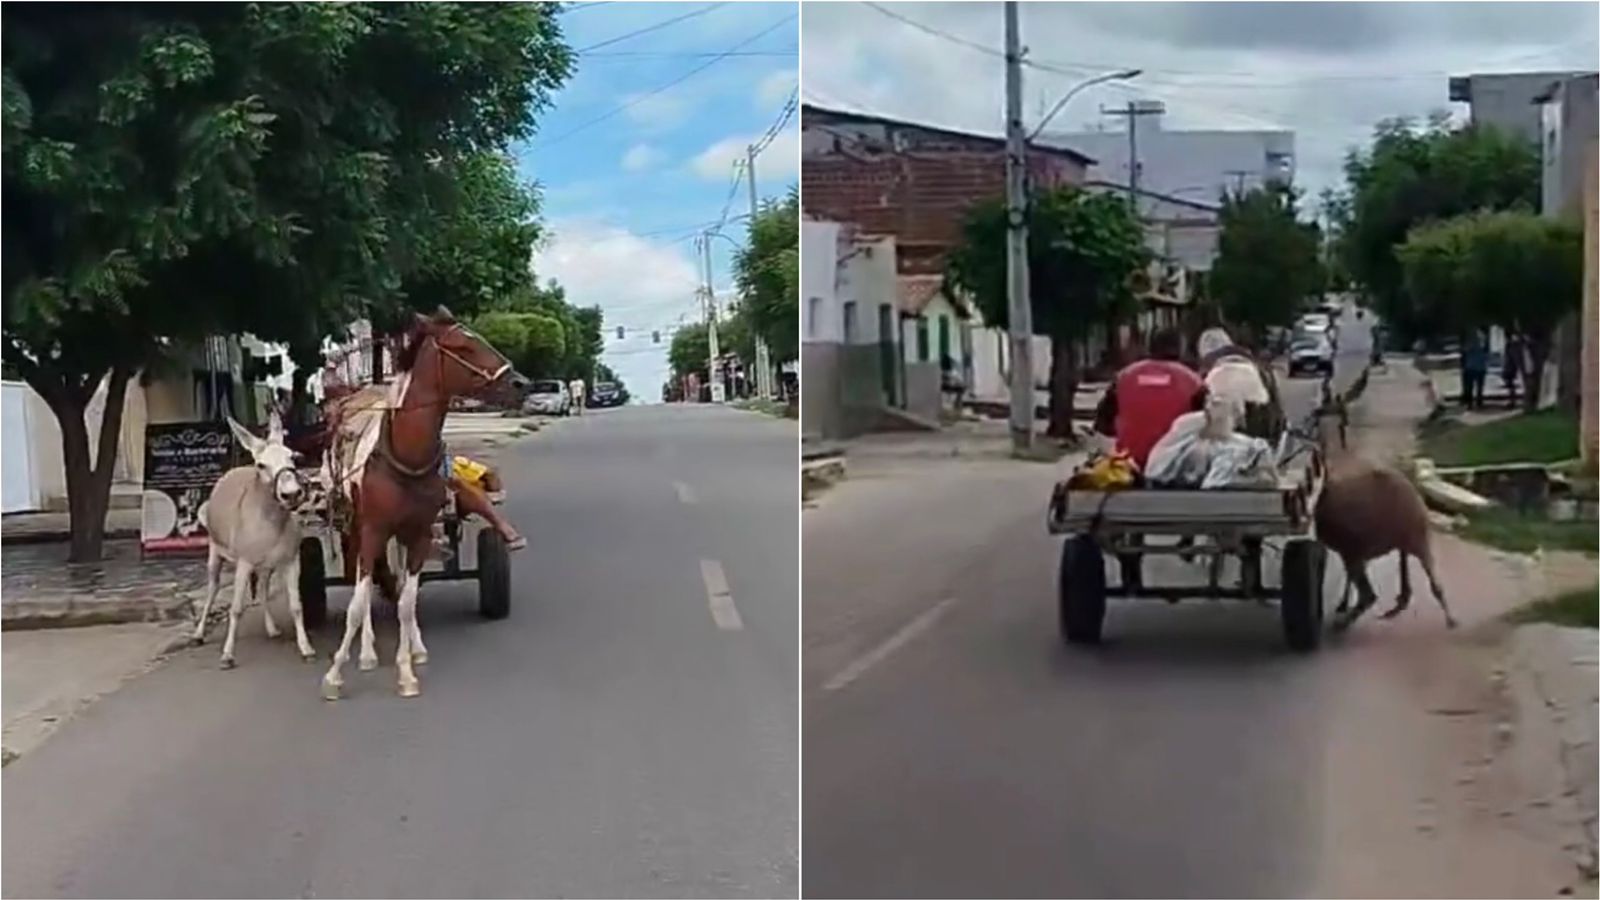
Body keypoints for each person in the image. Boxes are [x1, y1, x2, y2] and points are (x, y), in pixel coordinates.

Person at [1093, 327, 1204, 471]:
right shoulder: (1193, 381)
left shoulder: (1124, 376)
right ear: (1181, 349)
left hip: (1128, 461)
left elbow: (1102, 424)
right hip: (1175, 463)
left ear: (1150, 348)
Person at [1460, 333, 1489, 410]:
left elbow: (1465, 350)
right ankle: (1477, 402)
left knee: (1471, 386)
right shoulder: (1483, 339)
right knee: (1478, 386)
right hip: (1479, 366)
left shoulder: (1472, 341)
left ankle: (1471, 403)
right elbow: (1486, 352)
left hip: (1472, 367)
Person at [1502, 334, 1524, 407]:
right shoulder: (1511, 346)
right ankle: (1512, 400)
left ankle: (1512, 401)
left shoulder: (1511, 346)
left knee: (1510, 384)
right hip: (1509, 366)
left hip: (1510, 367)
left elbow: (1513, 357)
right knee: (1509, 384)